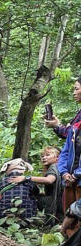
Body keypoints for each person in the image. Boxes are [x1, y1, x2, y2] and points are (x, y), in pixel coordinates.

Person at [51, 77, 81, 213]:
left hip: (77, 177)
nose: (74, 93)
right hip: (70, 177)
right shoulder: (77, 120)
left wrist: (77, 174)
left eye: (76, 89)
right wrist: (64, 172)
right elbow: (66, 149)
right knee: (69, 212)